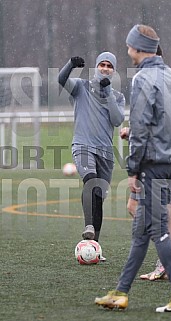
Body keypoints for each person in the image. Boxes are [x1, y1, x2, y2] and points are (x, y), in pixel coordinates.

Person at [95, 24, 171, 312]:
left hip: (152, 162)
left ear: (137, 48)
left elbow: (141, 126)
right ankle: (121, 292)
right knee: (140, 233)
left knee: (156, 228)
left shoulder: (142, 79)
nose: (127, 51)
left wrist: (133, 169)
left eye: (129, 46)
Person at [58, 52, 125, 255]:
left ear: (113, 70)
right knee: (91, 181)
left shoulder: (118, 96)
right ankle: (89, 227)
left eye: (109, 66)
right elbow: (61, 80)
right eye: (102, 64)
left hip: (105, 154)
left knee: (98, 197)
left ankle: (95, 246)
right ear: (96, 66)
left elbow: (117, 120)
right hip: (83, 146)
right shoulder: (81, 87)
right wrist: (70, 64)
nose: (105, 68)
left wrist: (108, 92)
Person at [120, 126, 171, 281]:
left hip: (156, 159)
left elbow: (151, 120)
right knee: (134, 206)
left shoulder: (155, 101)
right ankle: (167, 257)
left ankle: (167, 262)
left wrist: (134, 134)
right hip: (153, 155)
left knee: (166, 210)